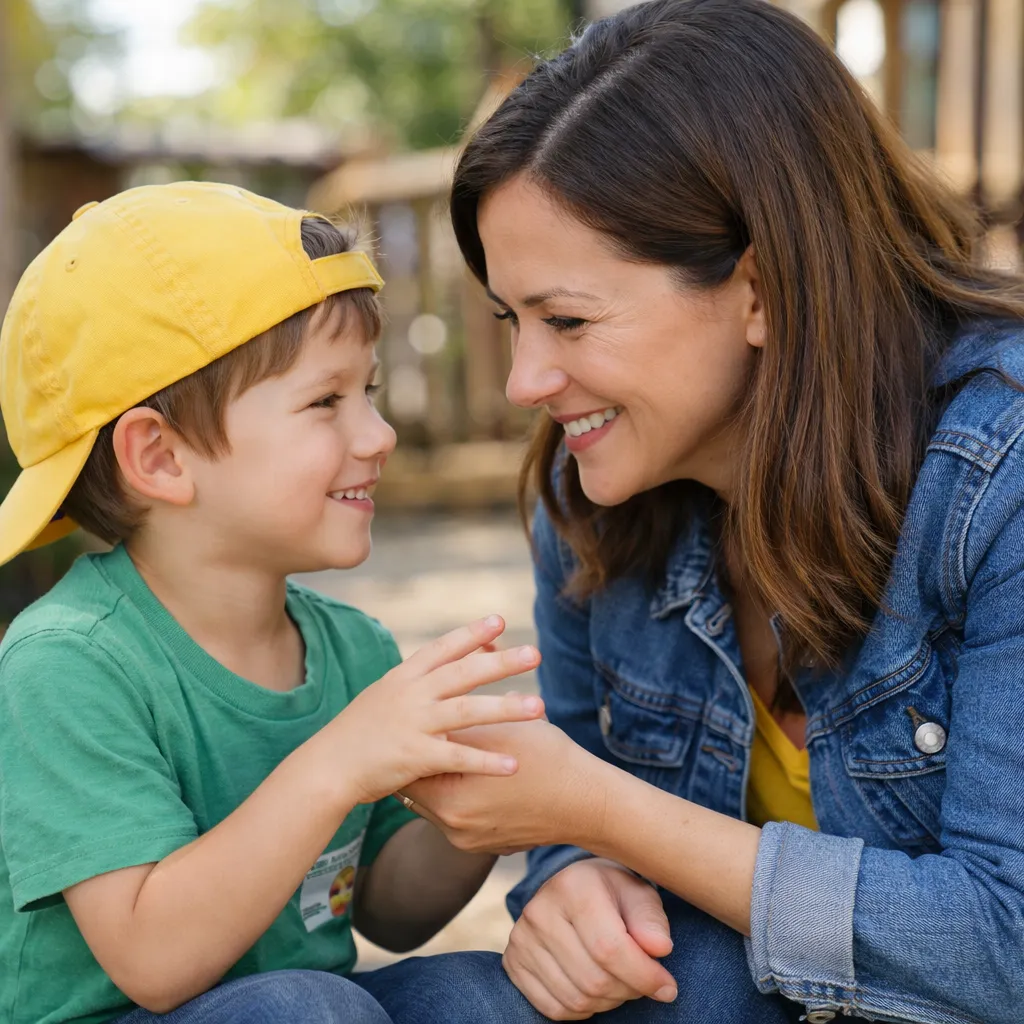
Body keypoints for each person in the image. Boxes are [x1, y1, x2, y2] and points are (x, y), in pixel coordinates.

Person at [361, 2, 1024, 1022]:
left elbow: (1001, 947)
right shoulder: (588, 501)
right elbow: (565, 815)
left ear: (759, 288)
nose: (524, 381)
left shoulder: (999, 474)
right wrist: (573, 876)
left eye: (567, 320)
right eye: (510, 322)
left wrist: (596, 811)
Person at [0, 181, 546, 1024]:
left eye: (367, 391)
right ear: (161, 457)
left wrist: (487, 797)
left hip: (318, 1006)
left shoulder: (351, 649)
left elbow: (386, 913)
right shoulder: (67, 664)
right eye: (326, 401)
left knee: (484, 994)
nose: (379, 434)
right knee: (305, 1008)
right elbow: (152, 961)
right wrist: (336, 764)